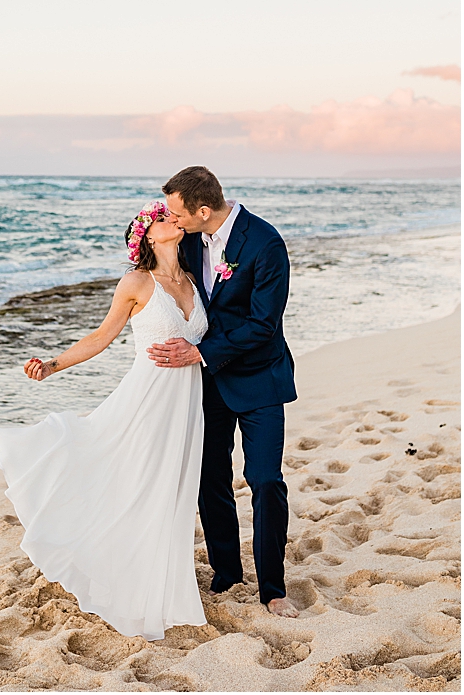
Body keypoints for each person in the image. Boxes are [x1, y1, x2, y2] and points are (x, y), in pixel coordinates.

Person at [0, 200, 207, 640]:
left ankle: (164, 584)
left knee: (174, 490)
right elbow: (102, 336)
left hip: (186, 402)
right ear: (146, 235)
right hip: (147, 399)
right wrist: (53, 364)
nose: (172, 220)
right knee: (139, 483)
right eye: (162, 218)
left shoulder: (196, 279)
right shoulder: (136, 282)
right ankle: (123, 581)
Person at [152, 165, 298, 619]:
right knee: (210, 480)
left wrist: (200, 352)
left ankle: (273, 588)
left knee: (266, 481)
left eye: (177, 213)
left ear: (202, 210)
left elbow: (263, 324)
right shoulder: (189, 237)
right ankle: (227, 573)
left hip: (259, 376)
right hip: (208, 384)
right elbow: (154, 243)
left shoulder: (265, 243)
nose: (171, 220)